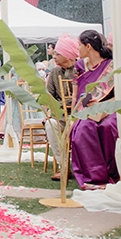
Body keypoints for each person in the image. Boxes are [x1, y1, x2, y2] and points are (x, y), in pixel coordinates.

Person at [70, 30, 121, 191]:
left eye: (79, 45)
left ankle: (113, 175)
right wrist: (73, 115)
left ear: (88, 46)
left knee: (108, 127)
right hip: (87, 110)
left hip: (112, 108)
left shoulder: (113, 65)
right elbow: (75, 95)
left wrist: (103, 105)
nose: (77, 49)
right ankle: (93, 178)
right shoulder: (79, 66)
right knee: (83, 129)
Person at [43, 34, 79, 181]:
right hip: (60, 115)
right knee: (50, 125)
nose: (54, 56)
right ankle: (63, 166)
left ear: (68, 54)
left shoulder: (80, 70)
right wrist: (50, 111)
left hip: (79, 114)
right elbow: (49, 96)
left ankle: (82, 167)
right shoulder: (55, 72)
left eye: (58, 54)